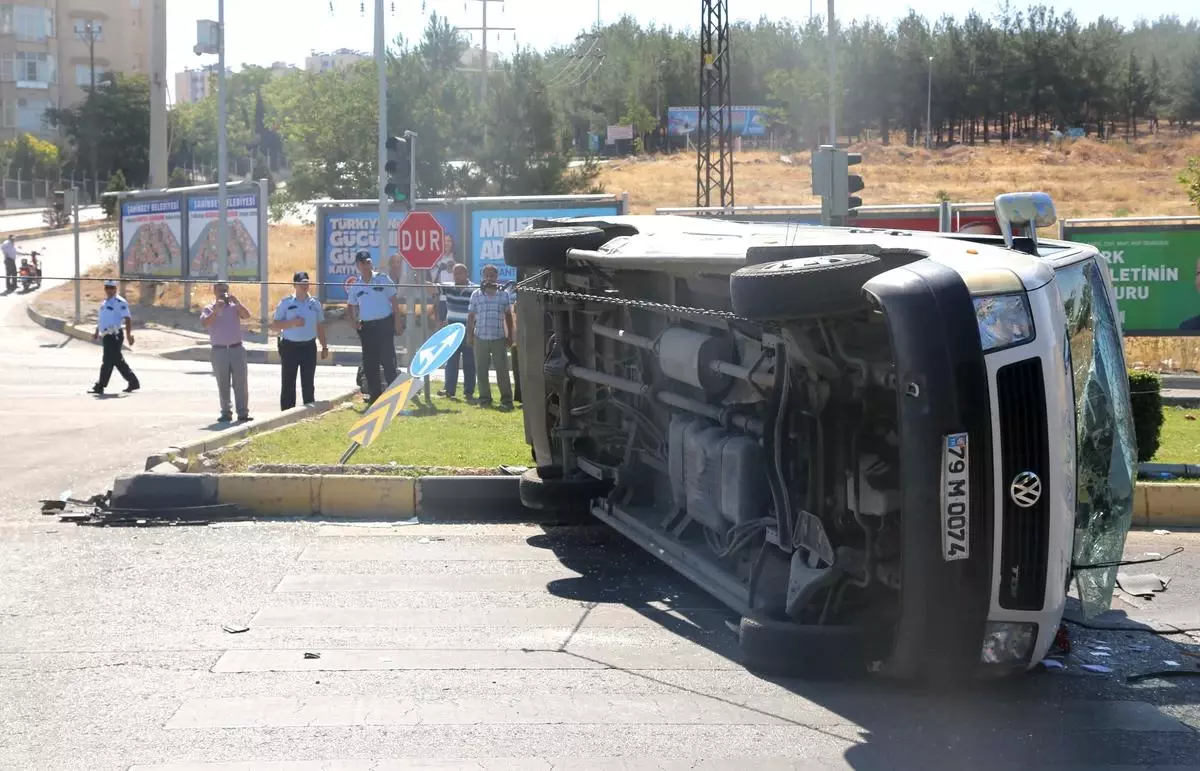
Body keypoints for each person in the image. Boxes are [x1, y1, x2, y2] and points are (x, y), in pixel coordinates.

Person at [346, 250, 405, 404]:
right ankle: (375, 395)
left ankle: (394, 395)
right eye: (363, 263)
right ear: (358, 265)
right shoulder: (356, 285)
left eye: (368, 262)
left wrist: (397, 321)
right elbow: (350, 305)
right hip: (366, 328)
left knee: (388, 360)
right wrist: (353, 321)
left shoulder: (382, 279)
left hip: (384, 324)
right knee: (370, 363)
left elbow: (394, 301)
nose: (367, 265)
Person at [271, 271, 328, 410]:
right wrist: (293, 323)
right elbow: (275, 325)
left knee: (308, 382)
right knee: (288, 382)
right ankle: (287, 413)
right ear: (294, 285)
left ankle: (308, 411)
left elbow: (320, 325)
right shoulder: (286, 303)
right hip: (289, 347)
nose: (305, 286)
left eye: (307, 283)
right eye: (302, 283)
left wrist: (324, 346)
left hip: (308, 346)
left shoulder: (315, 303)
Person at [199, 281, 252, 423]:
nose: (223, 293)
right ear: (214, 291)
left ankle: (243, 413)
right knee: (223, 383)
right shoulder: (209, 308)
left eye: (225, 290)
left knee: (241, 382)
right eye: (220, 290)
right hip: (219, 350)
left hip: (236, 349)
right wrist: (216, 311)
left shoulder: (234, 307)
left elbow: (247, 315)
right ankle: (226, 412)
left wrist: (238, 303)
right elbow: (205, 323)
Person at [467, 264, 515, 410]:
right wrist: (470, 336)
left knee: (502, 371)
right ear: (482, 277)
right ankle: (485, 399)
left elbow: (508, 316)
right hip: (480, 337)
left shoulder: (503, 295)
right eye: (486, 276)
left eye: (492, 276)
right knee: (481, 370)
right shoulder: (476, 294)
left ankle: (506, 401)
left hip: (498, 338)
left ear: (496, 277)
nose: (489, 278)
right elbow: (470, 317)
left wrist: (510, 336)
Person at [90, 279, 140, 395]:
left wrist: (128, 335)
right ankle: (133, 382)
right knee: (117, 361)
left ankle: (100, 386)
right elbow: (102, 319)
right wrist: (97, 332)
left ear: (115, 289)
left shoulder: (120, 302)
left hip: (115, 335)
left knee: (107, 361)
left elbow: (127, 318)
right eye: (107, 287)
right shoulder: (104, 302)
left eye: (111, 288)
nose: (109, 290)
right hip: (106, 336)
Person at [437, 263, 476, 402]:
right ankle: (449, 390)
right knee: (451, 361)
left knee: (469, 362)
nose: (457, 276)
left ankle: (469, 391)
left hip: (468, 330)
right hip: (452, 330)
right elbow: (431, 290)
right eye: (455, 273)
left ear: (466, 274)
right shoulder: (448, 286)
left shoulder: (474, 290)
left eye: (459, 273)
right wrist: (420, 277)